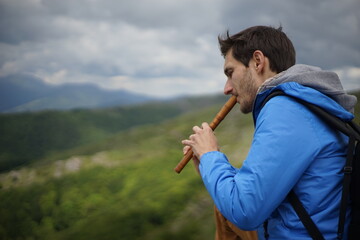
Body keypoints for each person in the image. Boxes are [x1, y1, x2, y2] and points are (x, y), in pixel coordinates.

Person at [181, 25, 357, 239]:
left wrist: (210, 155)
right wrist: (208, 166)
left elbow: (245, 210)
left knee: (229, 212)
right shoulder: (303, 101)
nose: (227, 88)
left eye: (230, 73)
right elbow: (260, 190)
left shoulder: (286, 109)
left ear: (257, 61)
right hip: (302, 227)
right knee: (222, 210)